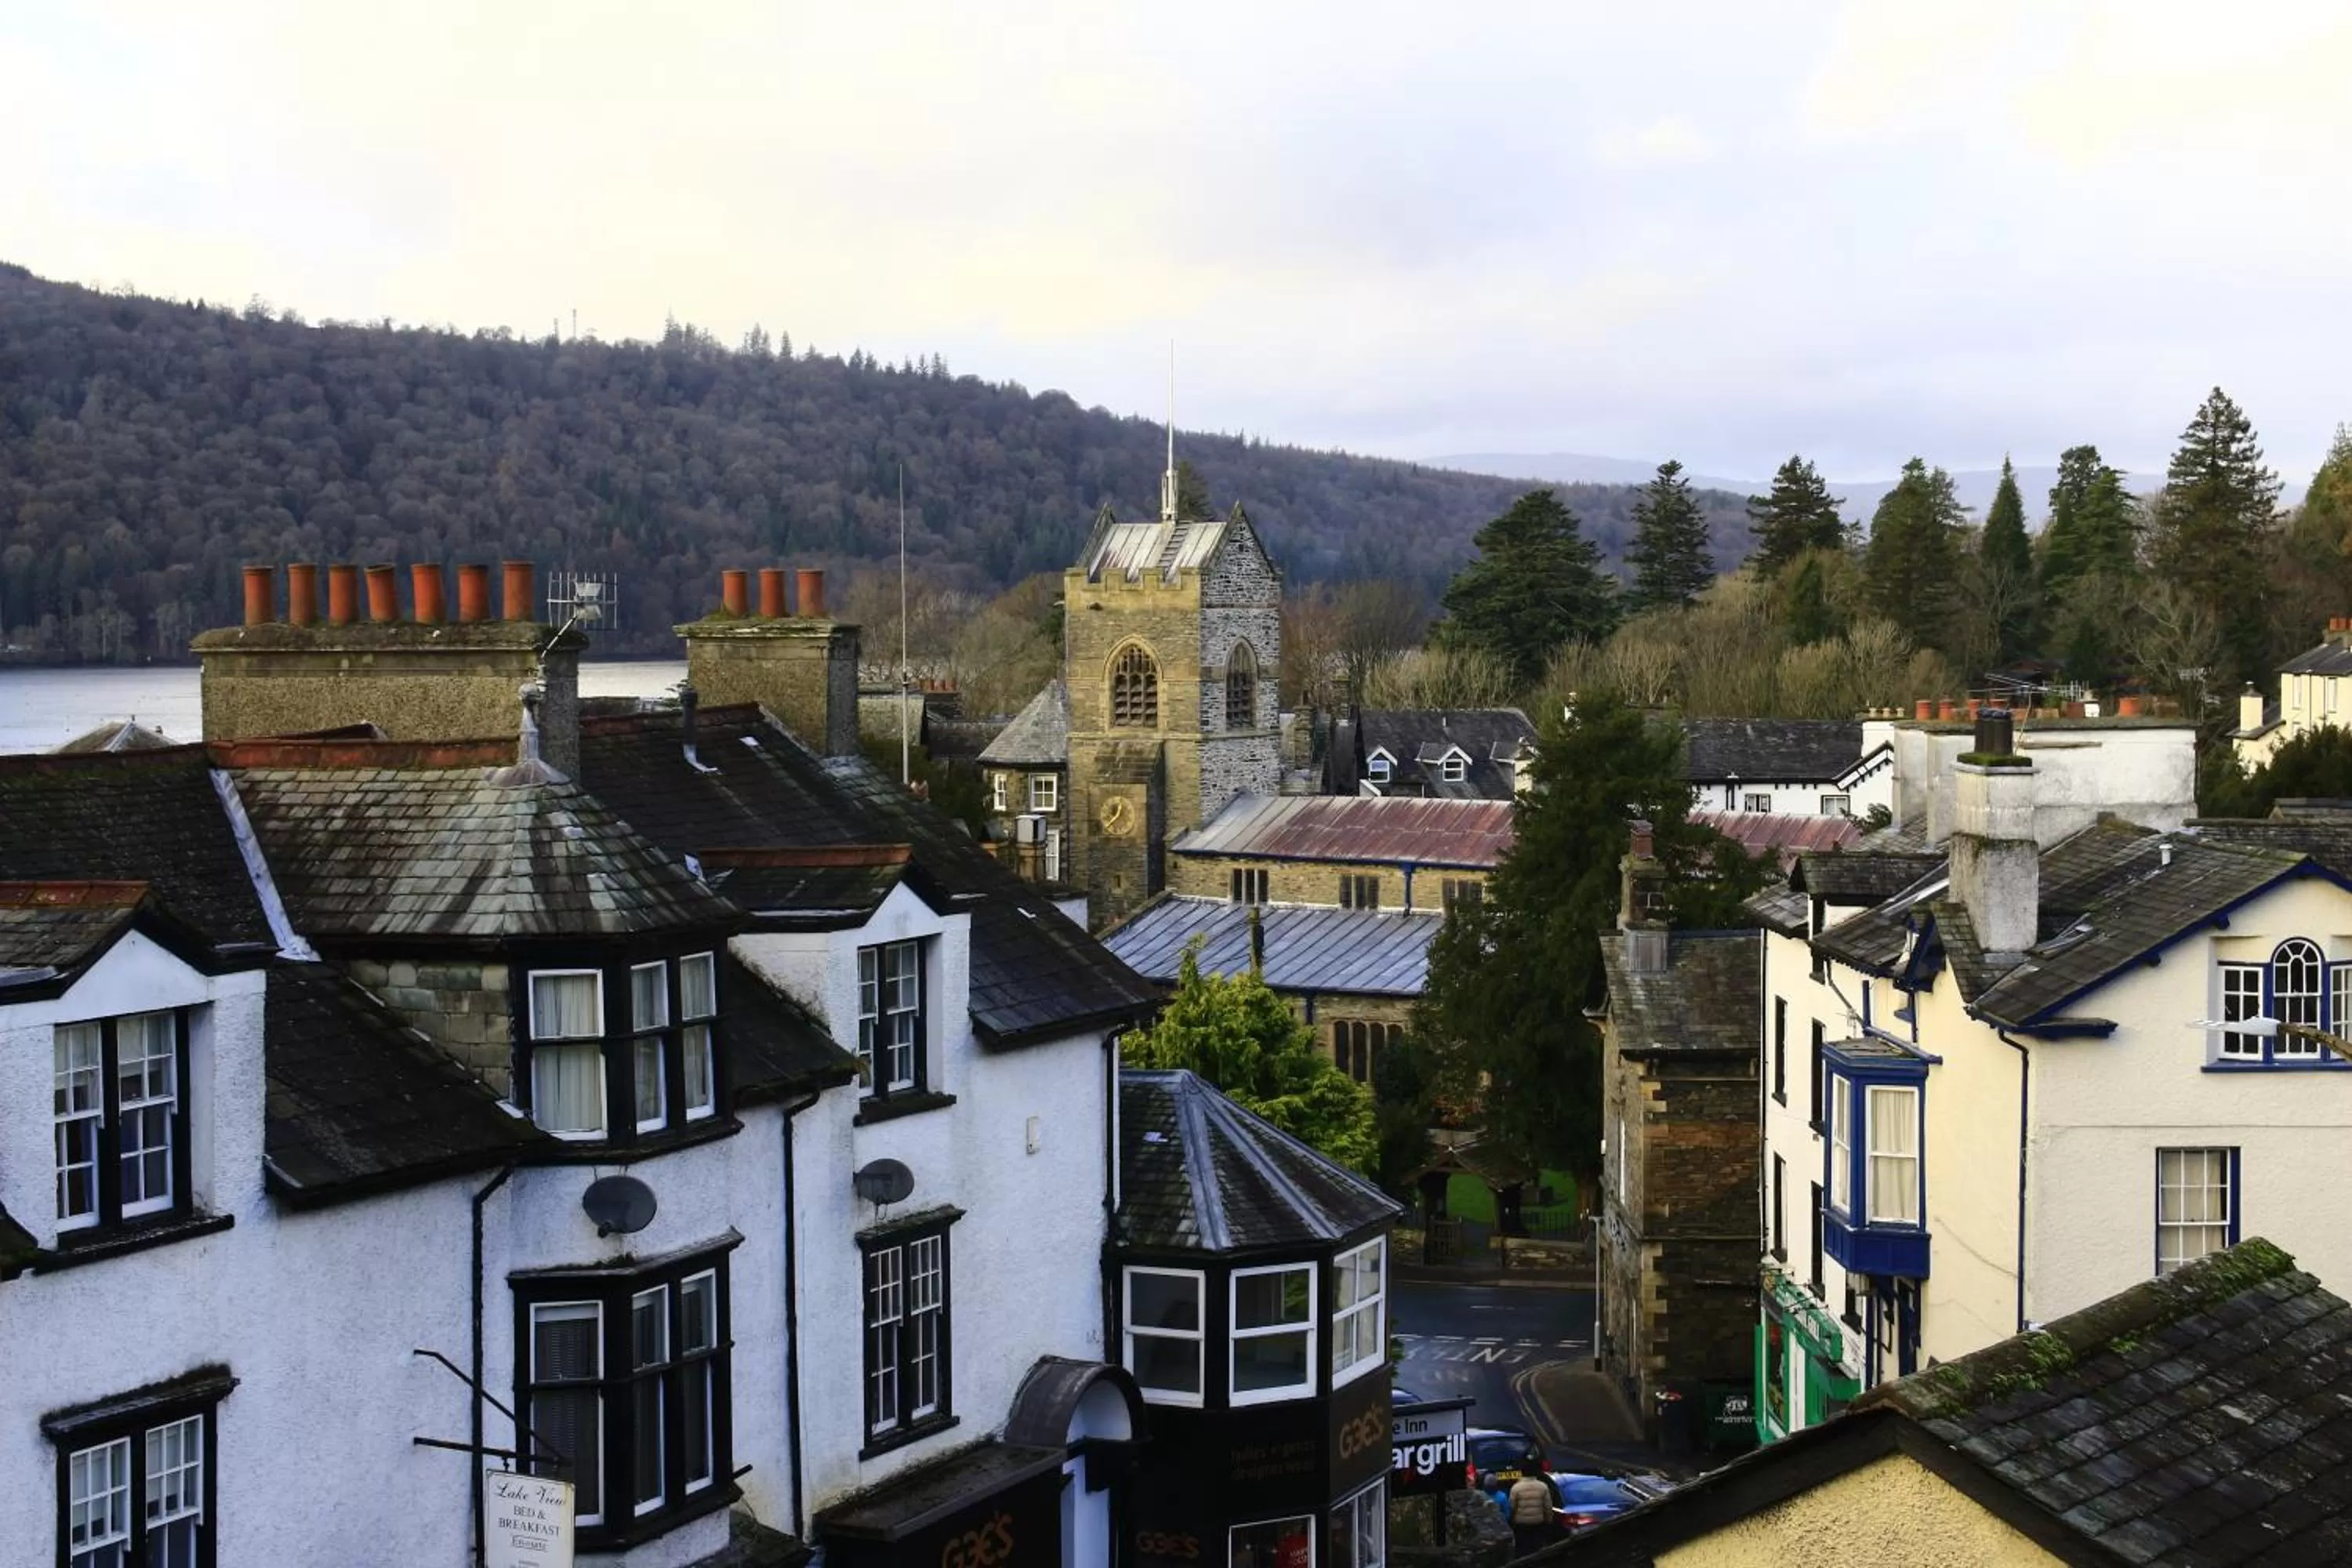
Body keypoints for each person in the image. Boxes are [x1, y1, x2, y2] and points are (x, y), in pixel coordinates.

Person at [1506, 1470, 1559, 1556]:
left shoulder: (1516, 1488)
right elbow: (1548, 1506)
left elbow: (1512, 1507)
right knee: (1537, 1548)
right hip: (1538, 1522)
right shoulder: (1543, 1486)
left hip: (1521, 1523)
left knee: (1523, 1548)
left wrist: (1511, 1520)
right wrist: (1549, 1520)